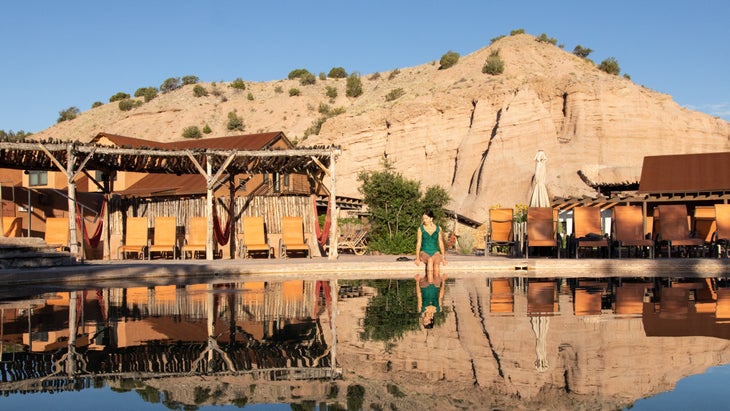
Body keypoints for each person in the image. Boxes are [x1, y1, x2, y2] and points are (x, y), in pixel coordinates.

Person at [414, 210, 447, 282]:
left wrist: (443, 257)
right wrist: (417, 258)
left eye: (426, 218)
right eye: (423, 219)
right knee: (430, 260)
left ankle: (436, 285)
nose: (424, 220)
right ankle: (429, 282)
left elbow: (441, 242)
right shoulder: (420, 229)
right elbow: (419, 243)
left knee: (436, 266)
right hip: (424, 252)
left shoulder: (438, 228)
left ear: (431, 219)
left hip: (435, 252)